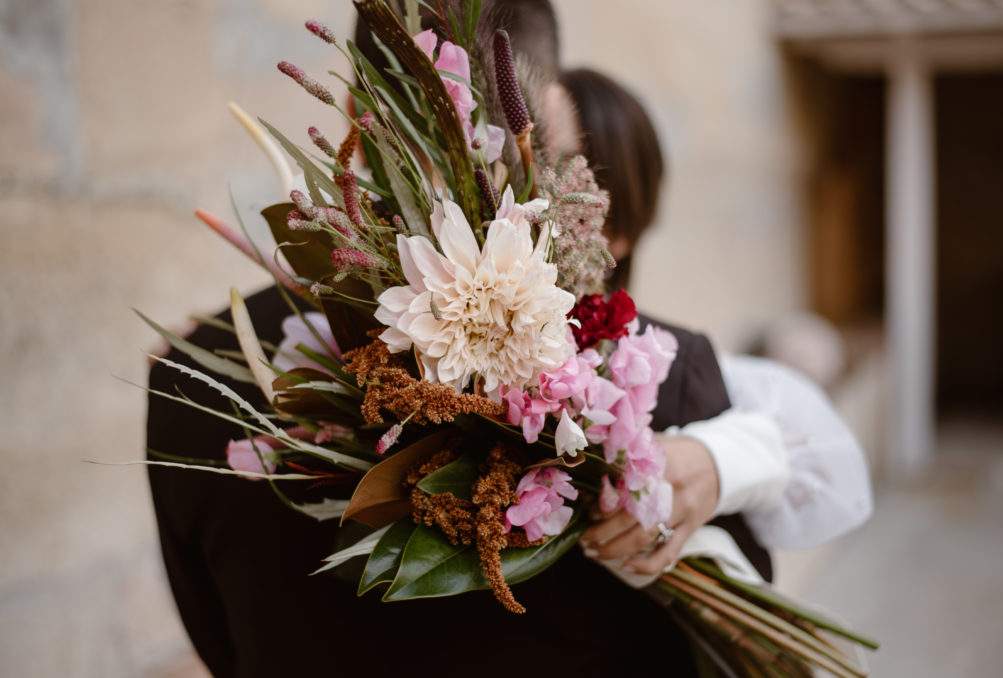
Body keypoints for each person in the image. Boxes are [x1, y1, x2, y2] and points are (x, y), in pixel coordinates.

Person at [147, 4, 870, 676]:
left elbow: (221, 644)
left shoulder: (188, 378)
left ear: (354, 118)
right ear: (541, 111)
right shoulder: (658, 376)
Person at [561, 68, 872, 583]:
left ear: (619, 227)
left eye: (561, 167)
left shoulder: (668, 368)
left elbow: (830, 466)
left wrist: (719, 461)